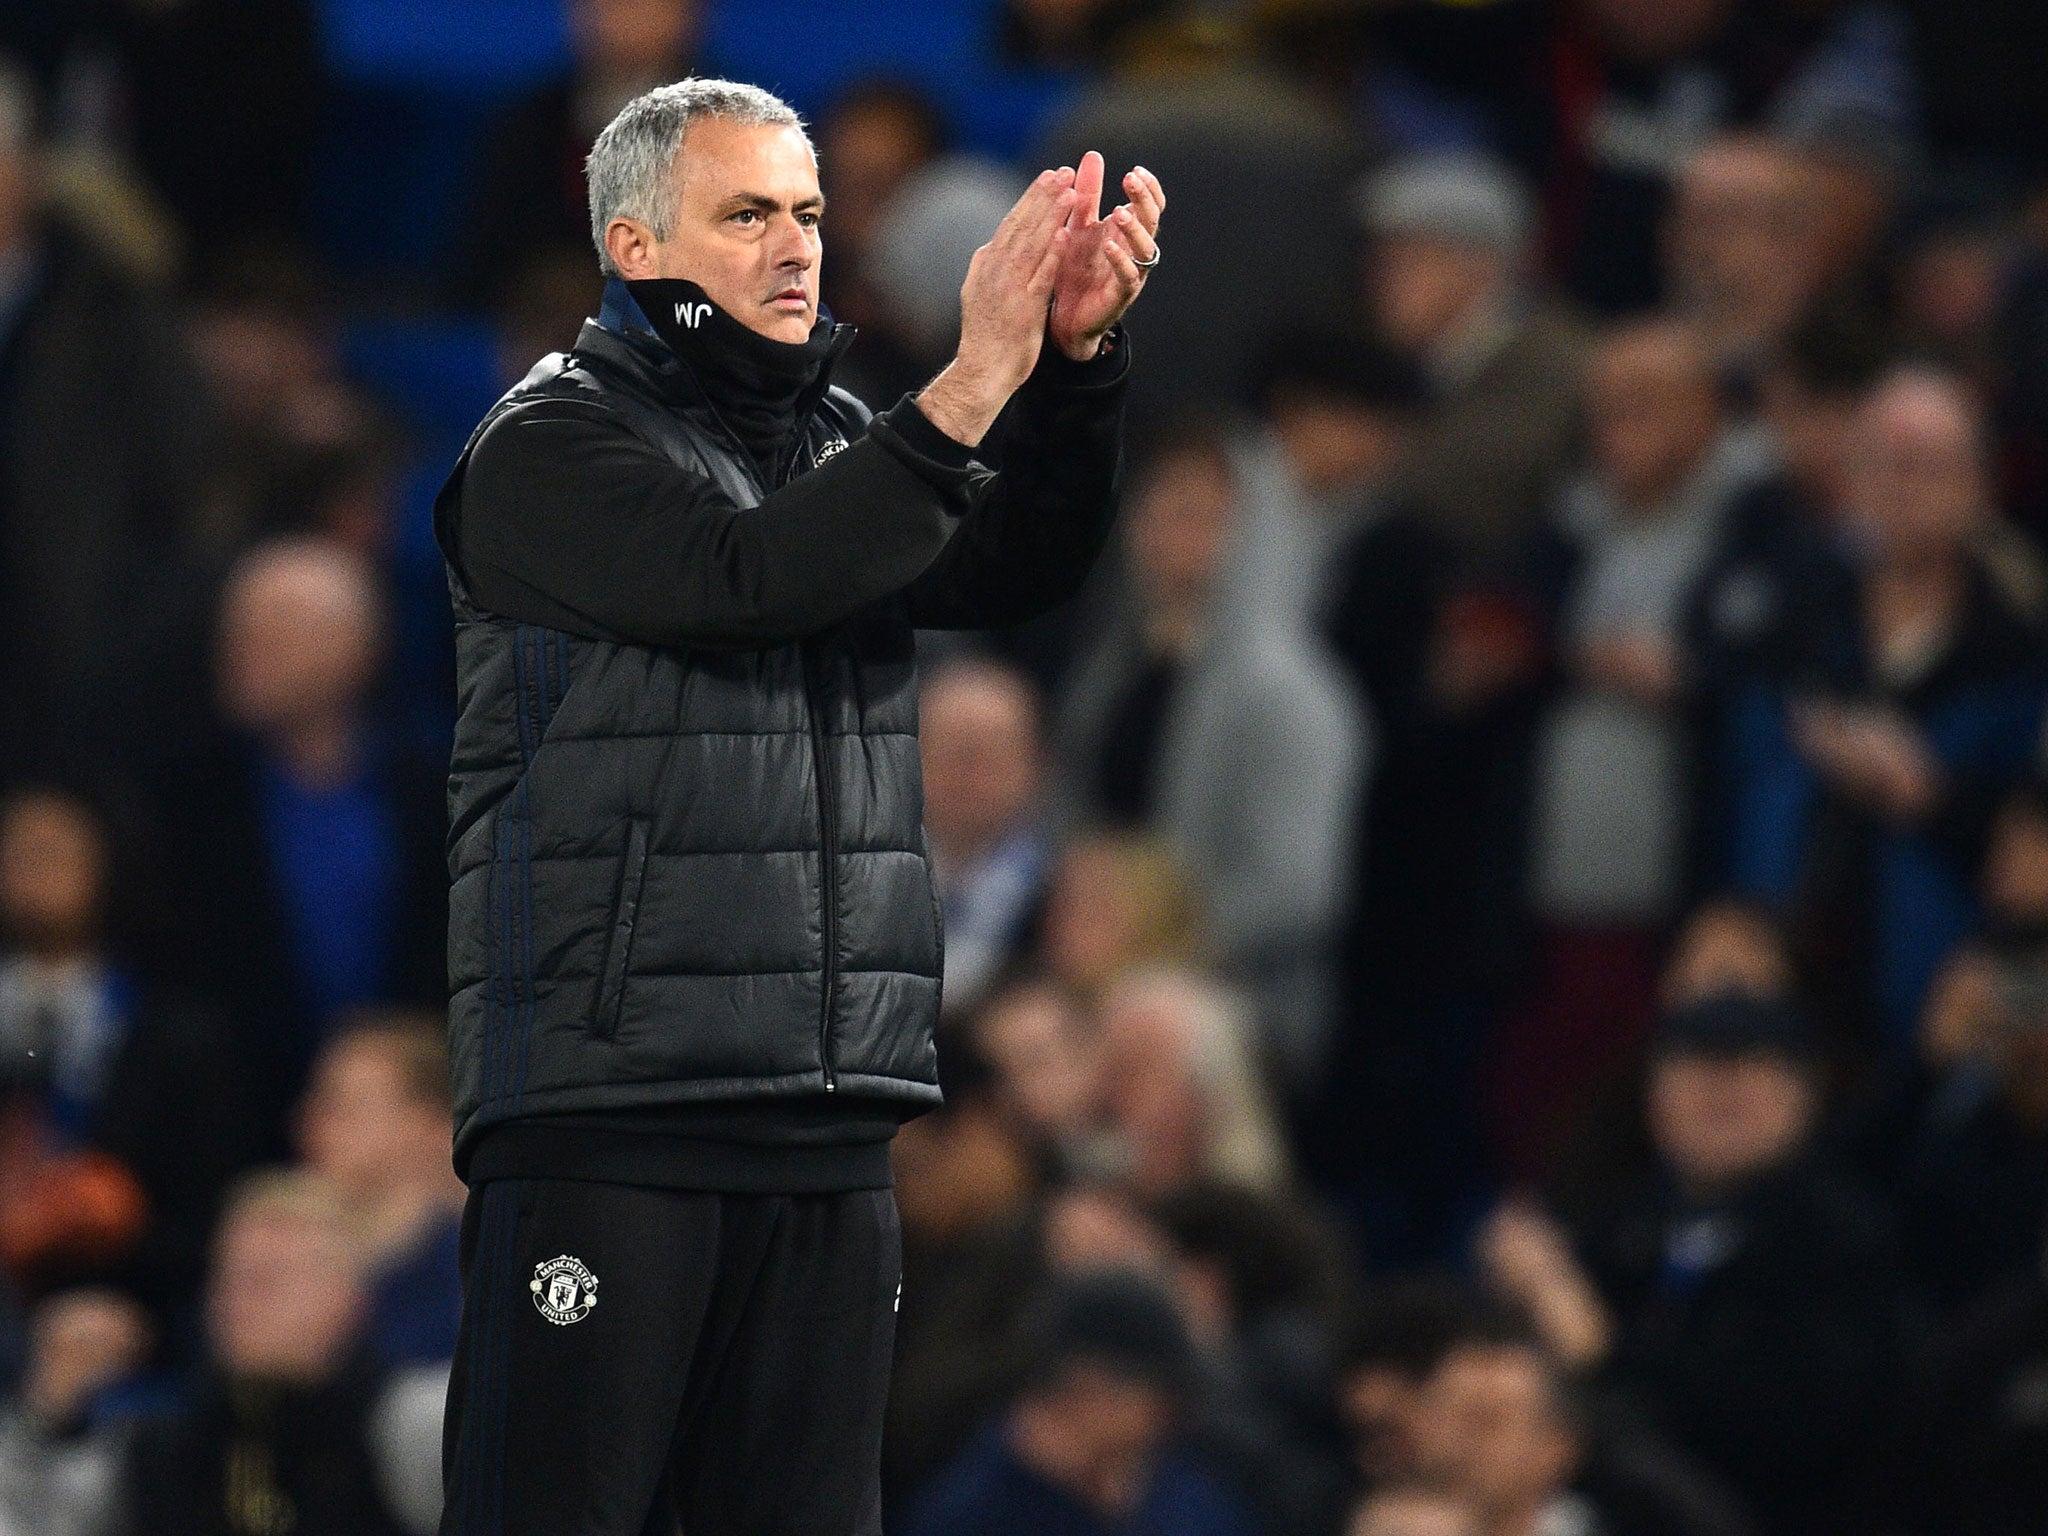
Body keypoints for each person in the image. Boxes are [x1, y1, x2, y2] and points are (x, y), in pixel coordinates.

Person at [432, 77, 1161, 1535]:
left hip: (828, 1120)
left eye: (812, 214)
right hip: (615, 1111)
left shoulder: (838, 439)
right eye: (748, 213)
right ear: (633, 246)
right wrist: (970, 382)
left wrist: (1072, 368)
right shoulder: (546, 446)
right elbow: (748, 579)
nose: (795, 246)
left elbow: (1015, 567)